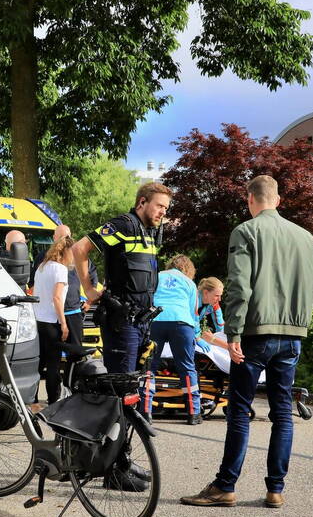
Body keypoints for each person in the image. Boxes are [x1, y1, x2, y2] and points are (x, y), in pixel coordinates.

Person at [181, 175, 313, 509]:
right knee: (283, 415)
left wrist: (232, 334)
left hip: (254, 335)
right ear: (278, 200)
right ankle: (275, 489)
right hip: (292, 337)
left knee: (240, 411)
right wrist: (296, 317)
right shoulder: (305, 237)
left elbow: (241, 289)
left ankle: (225, 486)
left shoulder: (246, 232)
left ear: (250, 200)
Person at [74, 182, 173, 379]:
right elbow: (79, 248)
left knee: (136, 383)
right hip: (122, 321)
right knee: (122, 384)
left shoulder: (150, 232)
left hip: (142, 322)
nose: (163, 212)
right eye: (159, 206)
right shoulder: (123, 225)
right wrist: (89, 289)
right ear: (141, 203)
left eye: (166, 208)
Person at [148, 255, 202, 425]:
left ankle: (145, 411)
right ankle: (193, 413)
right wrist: (197, 334)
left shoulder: (156, 276)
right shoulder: (189, 283)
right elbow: (194, 313)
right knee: (186, 367)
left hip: (155, 320)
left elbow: (147, 298)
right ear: (189, 269)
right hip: (182, 323)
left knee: (149, 366)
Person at [32, 235, 73, 406]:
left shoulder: (42, 266)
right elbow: (57, 298)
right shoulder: (60, 270)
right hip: (51, 321)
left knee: (39, 363)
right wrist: (63, 323)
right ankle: (53, 399)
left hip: (38, 319)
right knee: (53, 364)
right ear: (67, 251)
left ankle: (32, 397)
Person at [52, 224, 99, 352]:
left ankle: (75, 372)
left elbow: (93, 275)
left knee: (76, 352)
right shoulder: (46, 257)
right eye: (60, 237)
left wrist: (90, 300)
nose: (63, 240)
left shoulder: (78, 255)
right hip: (52, 314)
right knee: (53, 354)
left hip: (73, 311)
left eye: (66, 237)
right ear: (53, 238)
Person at [196, 277, 229, 350]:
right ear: (205, 293)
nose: (219, 299)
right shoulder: (193, 299)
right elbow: (189, 323)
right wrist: (197, 338)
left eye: (220, 296)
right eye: (217, 296)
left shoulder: (214, 304)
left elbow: (220, 325)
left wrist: (220, 339)